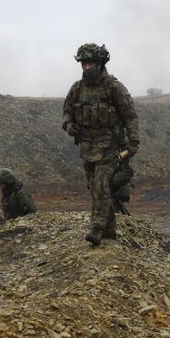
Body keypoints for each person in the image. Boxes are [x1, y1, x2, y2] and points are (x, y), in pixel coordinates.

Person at [62, 43, 140, 246]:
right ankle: (109, 230)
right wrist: (69, 125)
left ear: (100, 63)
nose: (87, 67)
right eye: (84, 64)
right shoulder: (77, 89)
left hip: (110, 147)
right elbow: (67, 112)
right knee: (94, 188)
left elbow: (130, 116)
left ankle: (96, 228)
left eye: (91, 63)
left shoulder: (113, 87)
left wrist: (133, 143)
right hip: (87, 148)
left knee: (101, 186)